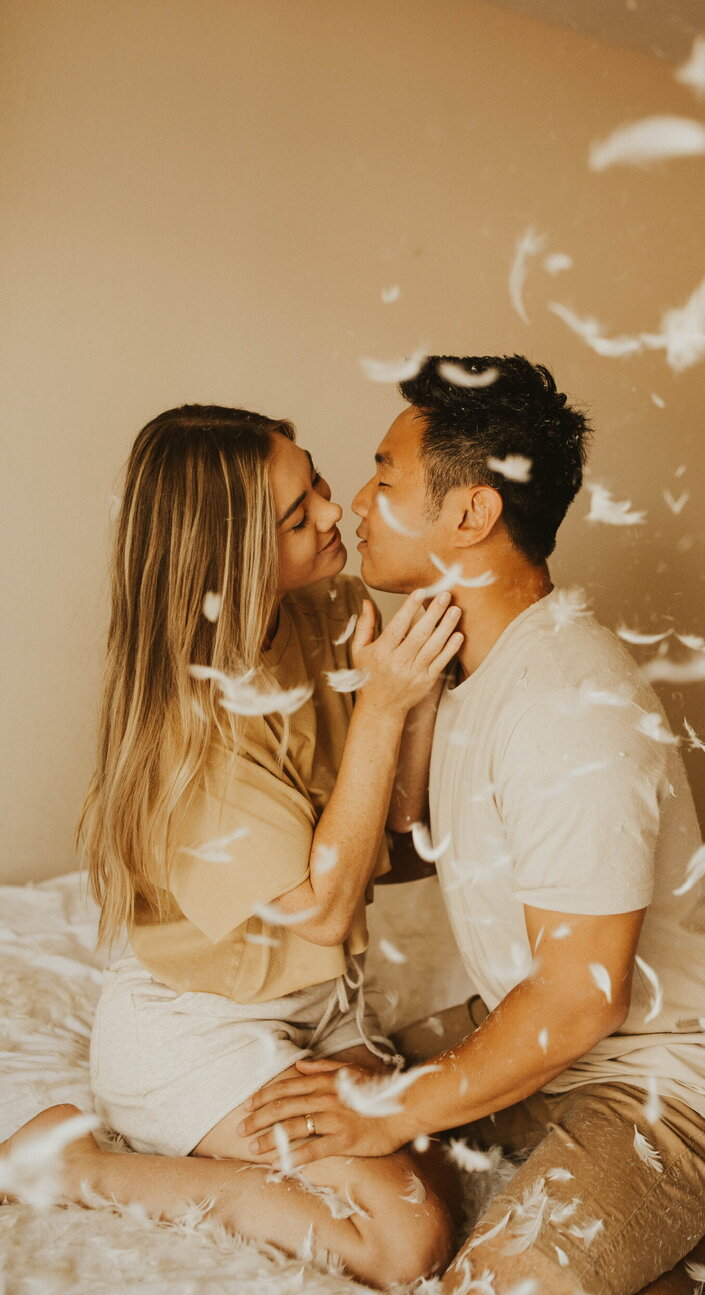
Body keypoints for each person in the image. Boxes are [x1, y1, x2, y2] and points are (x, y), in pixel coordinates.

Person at [235, 357, 705, 1295]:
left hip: (661, 1080)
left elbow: (580, 1000)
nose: (357, 501)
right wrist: (390, 714)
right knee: (315, 1085)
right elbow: (420, 842)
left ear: (471, 515)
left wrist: (389, 1113)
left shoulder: (570, 703)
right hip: (545, 1037)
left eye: (385, 474)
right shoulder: (465, 658)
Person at [0, 404, 463, 1289]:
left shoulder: (331, 608)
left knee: (449, 1145)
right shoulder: (192, 727)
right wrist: (382, 707)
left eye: (317, 483)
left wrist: (418, 695)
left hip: (314, 1006)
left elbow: (397, 836)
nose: (334, 512)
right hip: (195, 1029)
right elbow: (326, 907)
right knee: (404, 1244)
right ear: (233, 557)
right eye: (299, 516)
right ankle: (74, 1165)